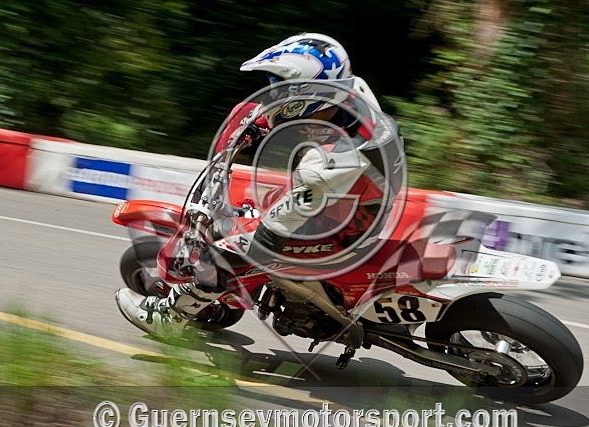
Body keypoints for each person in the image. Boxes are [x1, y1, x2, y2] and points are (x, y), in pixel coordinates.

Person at [115, 32, 404, 335]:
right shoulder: (351, 94)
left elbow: (275, 230)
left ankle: (170, 318)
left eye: (281, 89)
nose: (274, 95)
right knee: (256, 208)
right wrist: (254, 125)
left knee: (225, 252)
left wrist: (233, 247)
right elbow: (264, 118)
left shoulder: (326, 164)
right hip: (352, 203)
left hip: (339, 229)